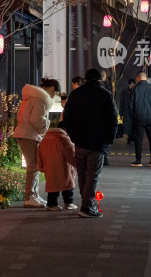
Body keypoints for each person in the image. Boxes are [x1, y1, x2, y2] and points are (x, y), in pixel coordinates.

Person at [61, 68, 117, 218]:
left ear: (85, 79)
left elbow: (67, 116)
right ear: (100, 80)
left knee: (82, 173)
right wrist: (109, 140)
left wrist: (73, 135)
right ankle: (87, 206)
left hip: (79, 141)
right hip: (98, 142)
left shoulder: (76, 94)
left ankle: (86, 203)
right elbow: (113, 119)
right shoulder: (105, 95)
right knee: (93, 174)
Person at [13, 78, 59, 208]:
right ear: (51, 88)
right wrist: (46, 126)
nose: (54, 96)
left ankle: (34, 195)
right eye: (55, 92)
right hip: (29, 134)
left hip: (26, 133)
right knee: (33, 166)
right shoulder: (41, 98)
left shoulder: (32, 96)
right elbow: (36, 119)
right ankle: (29, 197)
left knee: (35, 165)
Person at [36, 123, 78, 211]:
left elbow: (39, 153)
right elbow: (70, 153)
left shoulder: (44, 139)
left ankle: (52, 204)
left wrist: (41, 166)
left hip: (49, 167)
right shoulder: (64, 138)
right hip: (63, 166)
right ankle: (68, 203)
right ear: (65, 129)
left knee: (52, 186)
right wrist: (76, 163)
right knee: (68, 185)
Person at [129, 72, 151, 167]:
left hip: (139, 118)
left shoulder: (134, 89)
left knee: (138, 139)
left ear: (137, 79)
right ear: (146, 79)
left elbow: (130, 105)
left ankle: (138, 160)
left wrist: (132, 117)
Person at [118, 79, 136, 145]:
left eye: (134, 84)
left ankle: (132, 138)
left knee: (133, 126)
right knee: (128, 126)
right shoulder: (124, 92)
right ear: (129, 84)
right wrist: (121, 113)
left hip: (134, 111)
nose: (133, 86)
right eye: (132, 84)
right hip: (127, 111)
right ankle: (129, 138)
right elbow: (121, 103)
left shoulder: (136, 91)